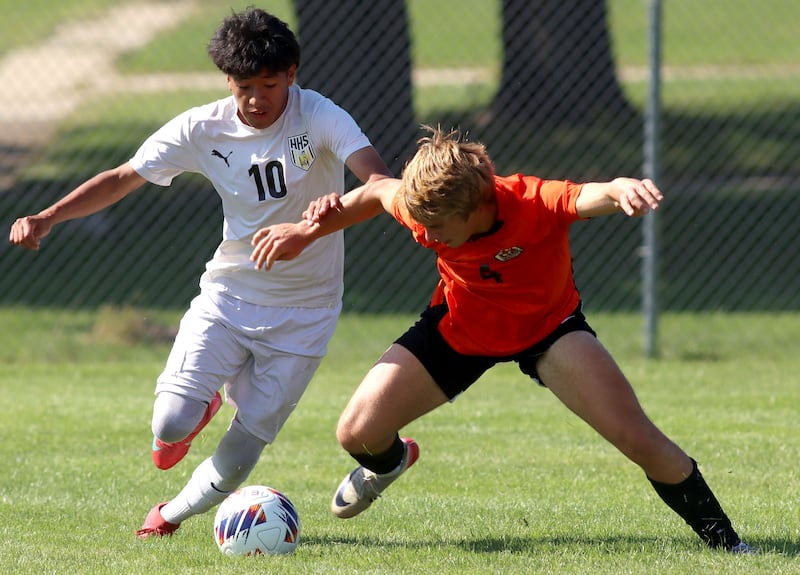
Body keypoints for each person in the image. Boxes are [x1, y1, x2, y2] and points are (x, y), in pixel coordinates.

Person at [248, 125, 753, 553]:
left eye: (439, 228)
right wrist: (305, 232)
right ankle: (394, 460)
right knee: (355, 434)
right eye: (422, 224)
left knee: (637, 437)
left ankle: (729, 545)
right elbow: (379, 193)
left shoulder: (531, 200)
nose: (427, 237)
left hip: (549, 332)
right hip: (459, 331)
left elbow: (584, 196)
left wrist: (621, 187)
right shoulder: (425, 210)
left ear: (477, 207)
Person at [8, 7, 391, 538]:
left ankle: (168, 516)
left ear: (293, 74)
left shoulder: (321, 116)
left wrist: (332, 213)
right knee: (168, 424)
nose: (257, 99)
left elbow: (380, 184)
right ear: (227, 82)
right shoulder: (202, 127)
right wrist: (47, 215)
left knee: (240, 454)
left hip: (307, 312)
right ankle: (206, 400)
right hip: (229, 295)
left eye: (270, 84)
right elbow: (123, 177)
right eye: (244, 87)